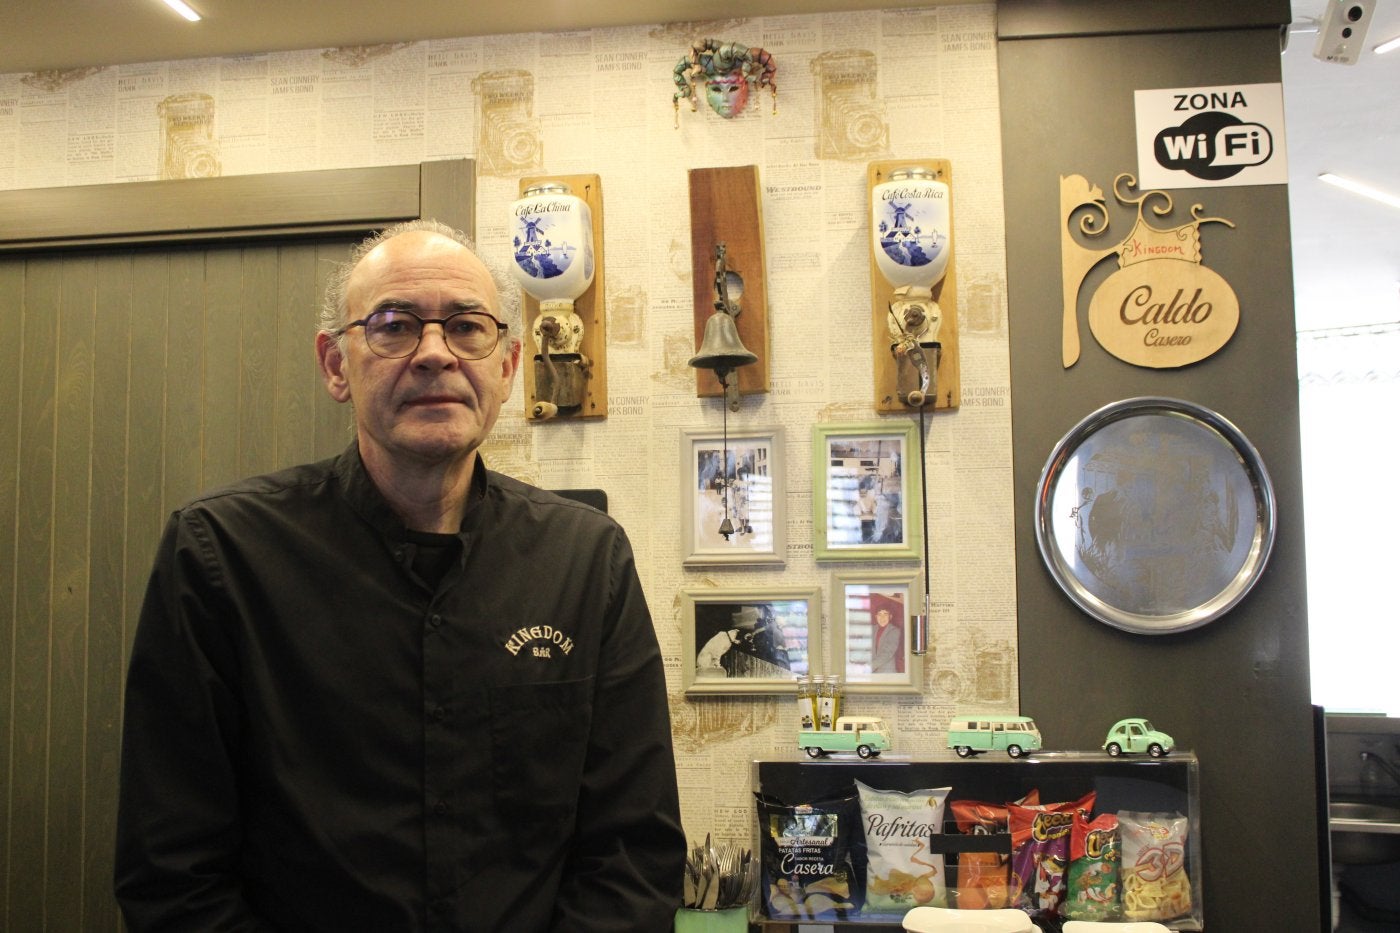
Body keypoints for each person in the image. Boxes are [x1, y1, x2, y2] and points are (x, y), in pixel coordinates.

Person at [114, 220, 685, 931]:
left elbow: (631, 853)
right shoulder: (220, 556)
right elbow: (172, 870)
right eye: (393, 325)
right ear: (334, 365)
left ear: (507, 367)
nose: (435, 354)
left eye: (468, 327)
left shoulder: (587, 561)